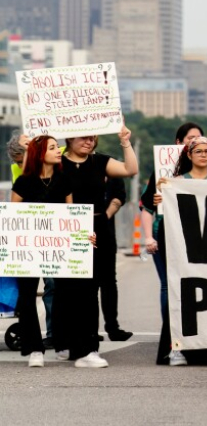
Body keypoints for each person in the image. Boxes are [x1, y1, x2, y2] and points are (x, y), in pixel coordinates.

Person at [56, 125, 137, 368]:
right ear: (70, 138)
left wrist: (125, 142)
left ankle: (89, 348)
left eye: (93, 138)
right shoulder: (57, 163)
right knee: (66, 289)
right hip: (67, 228)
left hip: (97, 226)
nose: (89, 142)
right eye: (84, 137)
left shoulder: (101, 162)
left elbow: (130, 169)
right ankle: (67, 342)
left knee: (92, 288)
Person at [141, 121, 204, 366]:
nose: (195, 141)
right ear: (178, 144)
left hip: (199, 241)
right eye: (190, 138)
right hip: (166, 236)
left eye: (199, 138)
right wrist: (149, 237)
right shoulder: (162, 174)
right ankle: (172, 341)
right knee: (170, 287)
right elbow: (146, 207)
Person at [10, 136, 73, 367]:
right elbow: (11, 217)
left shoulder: (64, 180)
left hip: (57, 249)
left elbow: (71, 214)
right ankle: (34, 348)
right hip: (27, 248)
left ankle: (60, 340)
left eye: (58, 147)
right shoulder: (24, 182)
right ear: (40, 153)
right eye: (54, 148)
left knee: (62, 291)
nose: (59, 151)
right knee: (27, 296)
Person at [7, 132, 55, 349]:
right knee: (28, 291)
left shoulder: (57, 160)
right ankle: (35, 342)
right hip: (31, 237)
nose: (20, 164)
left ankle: (56, 333)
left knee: (54, 286)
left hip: (54, 236)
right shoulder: (21, 175)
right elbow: (15, 207)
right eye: (18, 161)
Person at [97, 175, 131, 342]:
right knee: (85, 285)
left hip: (106, 234)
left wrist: (105, 216)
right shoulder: (69, 165)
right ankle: (88, 329)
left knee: (109, 282)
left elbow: (119, 197)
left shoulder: (110, 168)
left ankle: (113, 327)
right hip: (78, 230)